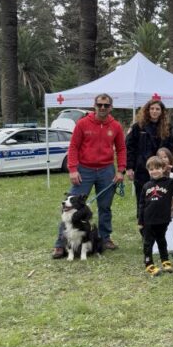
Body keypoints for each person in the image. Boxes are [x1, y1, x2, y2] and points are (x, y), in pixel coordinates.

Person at [52, 93, 126, 258]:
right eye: (99, 104)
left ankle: (105, 238)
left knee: (105, 207)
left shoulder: (116, 126)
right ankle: (60, 244)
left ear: (111, 107)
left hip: (106, 170)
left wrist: (121, 170)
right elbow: (73, 147)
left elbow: (121, 148)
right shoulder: (83, 123)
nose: (102, 108)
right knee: (70, 206)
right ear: (94, 105)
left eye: (106, 105)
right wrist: (73, 169)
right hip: (84, 170)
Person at [126, 98, 173, 227]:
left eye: (157, 109)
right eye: (152, 108)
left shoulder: (167, 128)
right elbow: (130, 148)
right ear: (147, 110)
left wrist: (169, 164)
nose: (154, 111)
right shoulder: (138, 127)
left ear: (162, 112)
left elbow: (171, 147)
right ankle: (143, 225)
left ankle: (160, 225)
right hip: (142, 170)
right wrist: (129, 167)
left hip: (161, 169)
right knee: (143, 198)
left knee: (160, 197)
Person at [138, 156, 173, 277]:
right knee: (148, 242)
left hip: (163, 219)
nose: (154, 171)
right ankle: (148, 263)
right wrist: (140, 220)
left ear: (163, 168)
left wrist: (172, 169)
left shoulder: (169, 182)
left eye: (157, 168)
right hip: (148, 219)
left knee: (161, 240)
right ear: (148, 171)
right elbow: (141, 204)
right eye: (151, 169)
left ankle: (165, 260)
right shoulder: (146, 185)